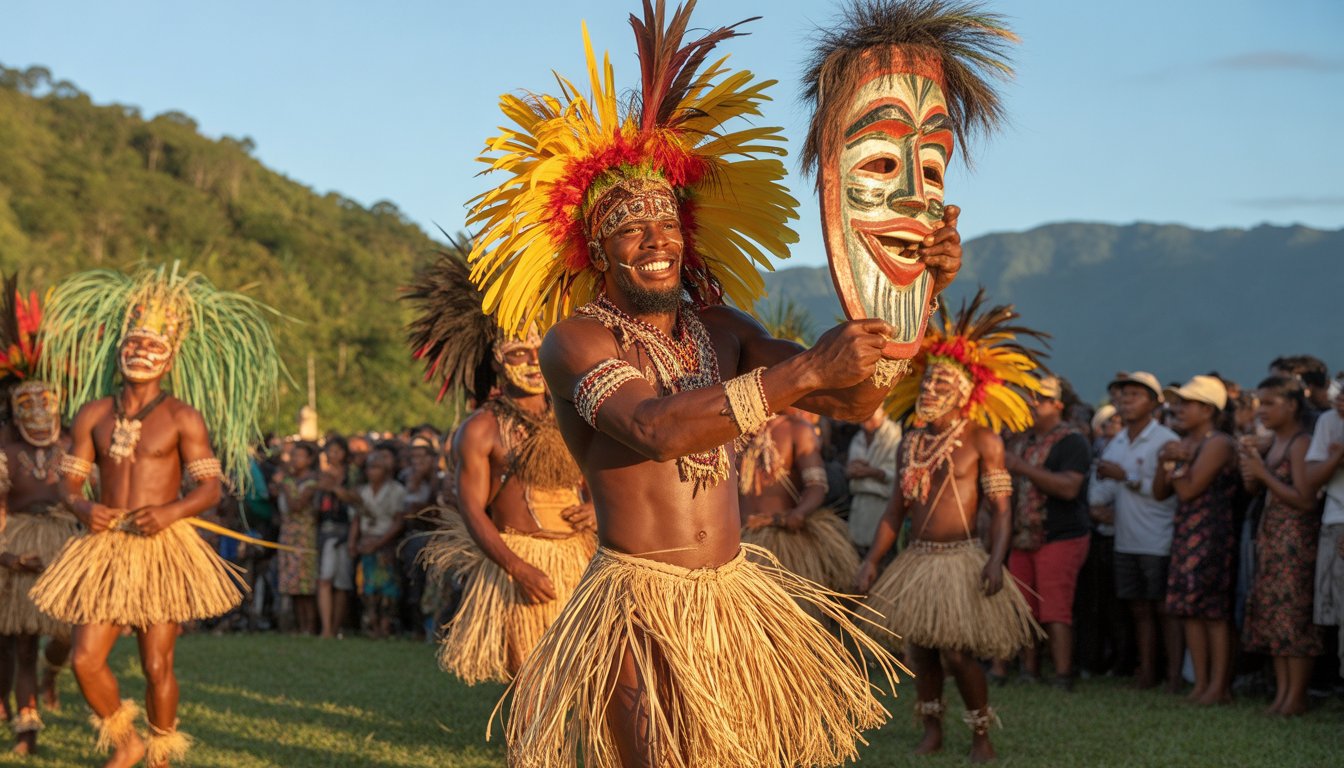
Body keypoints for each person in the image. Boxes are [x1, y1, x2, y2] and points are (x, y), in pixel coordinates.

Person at [461, 0, 1021, 760]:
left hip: (731, 599)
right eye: (629, 227)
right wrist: (808, 367)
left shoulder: (725, 330)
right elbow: (655, 428)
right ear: (596, 250)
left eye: (666, 222)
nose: (655, 240)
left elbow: (852, 396)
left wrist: (912, 293)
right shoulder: (575, 340)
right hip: (636, 604)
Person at [30, 264, 281, 767]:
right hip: (105, 544)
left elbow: (210, 489)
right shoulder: (93, 413)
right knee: (85, 658)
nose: (141, 351)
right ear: (118, 349)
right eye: (134, 342)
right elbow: (69, 482)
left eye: (153, 345)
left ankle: (160, 755)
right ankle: (127, 742)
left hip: (161, 548)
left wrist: (169, 512)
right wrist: (82, 505)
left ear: (170, 358)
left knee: (156, 664)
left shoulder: (183, 416)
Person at [857, 290, 1045, 762]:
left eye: (940, 384)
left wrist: (996, 560)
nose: (928, 391)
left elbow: (1002, 509)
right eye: (925, 383)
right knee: (920, 651)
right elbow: (895, 510)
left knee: (958, 654)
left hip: (962, 558)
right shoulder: (910, 443)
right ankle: (932, 730)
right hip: (917, 559)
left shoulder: (983, 440)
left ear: (964, 393)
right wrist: (873, 560)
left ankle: (981, 735)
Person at [406, 251, 597, 682]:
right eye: (518, 353)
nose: (532, 362)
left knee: (589, 682)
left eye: (539, 350)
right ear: (496, 360)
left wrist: (597, 509)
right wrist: (516, 568)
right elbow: (472, 508)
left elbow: (604, 478)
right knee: (531, 682)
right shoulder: (481, 429)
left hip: (580, 558)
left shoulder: (573, 416)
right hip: (522, 559)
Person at [0, 282, 80, 754]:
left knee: (69, 635)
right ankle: (26, 729)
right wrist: (6, 555)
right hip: (20, 542)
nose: (38, 412)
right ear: (12, 408)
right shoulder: (4, 448)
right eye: (26, 404)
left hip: (67, 541)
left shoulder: (75, 441)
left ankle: (56, 671)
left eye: (45, 401)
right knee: (23, 639)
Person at [1089, 371, 1182, 690]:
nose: (1126, 402)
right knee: (1138, 608)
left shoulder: (1166, 440)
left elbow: (1166, 491)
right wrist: (1097, 504)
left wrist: (1125, 477)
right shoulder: (1117, 440)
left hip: (1157, 537)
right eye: (1123, 395)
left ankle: (1173, 675)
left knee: (1163, 608)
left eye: (1135, 395)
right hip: (1125, 537)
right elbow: (1104, 482)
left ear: (1154, 403)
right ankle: (1147, 671)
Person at [1153, 375, 1239, 705]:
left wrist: (1174, 464)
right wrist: (1164, 462)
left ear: (1208, 409)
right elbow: (1160, 493)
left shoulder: (1218, 443)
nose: (1178, 409)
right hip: (1186, 533)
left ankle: (1218, 686)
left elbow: (1189, 490)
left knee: (1212, 612)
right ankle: (1201, 684)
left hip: (1212, 534)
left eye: (1187, 403)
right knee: (1189, 610)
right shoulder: (1183, 443)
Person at [1003, 375, 1093, 690]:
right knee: (1024, 607)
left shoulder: (1072, 441)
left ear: (1057, 404)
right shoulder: (1021, 440)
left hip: (1061, 535)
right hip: (1022, 535)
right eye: (1027, 397)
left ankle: (1063, 673)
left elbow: (1069, 487)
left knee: (1055, 608)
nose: (1031, 403)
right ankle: (1029, 670)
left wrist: (1022, 467)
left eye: (1039, 399)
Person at [1239, 376, 1322, 716]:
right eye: (1260, 403)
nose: (1262, 410)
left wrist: (1263, 474)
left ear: (1291, 405)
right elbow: (1259, 490)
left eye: (1270, 403)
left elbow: (1305, 500)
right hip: (1271, 536)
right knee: (1274, 614)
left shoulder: (1301, 443)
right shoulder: (1272, 442)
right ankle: (1282, 695)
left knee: (1294, 616)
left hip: (1295, 539)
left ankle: (1296, 696)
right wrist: (1251, 474)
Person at [738, 409, 859, 594]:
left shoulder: (798, 429)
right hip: (739, 540)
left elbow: (816, 486)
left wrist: (798, 513)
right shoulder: (739, 431)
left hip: (778, 542)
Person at [1306, 376, 1344, 684]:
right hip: (1335, 522)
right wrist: (1337, 456)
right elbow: (1312, 477)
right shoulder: (1329, 421)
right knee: (1339, 615)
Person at [352, 447, 406, 638]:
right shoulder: (363, 491)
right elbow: (357, 519)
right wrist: (353, 542)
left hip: (385, 543)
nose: (371, 471)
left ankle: (386, 626)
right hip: (367, 541)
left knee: (388, 588)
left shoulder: (397, 491)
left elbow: (399, 522)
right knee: (368, 587)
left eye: (376, 467)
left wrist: (379, 543)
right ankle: (372, 625)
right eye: (369, 467)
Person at [275, 443, 321, 634]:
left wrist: (284, 485)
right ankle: (300, 626)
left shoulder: (312, 482)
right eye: (293, 456)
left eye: (300, 456)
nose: (295, 460)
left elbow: (297, 505)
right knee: (293, 586)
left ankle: (310, 626)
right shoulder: (290, 480)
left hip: (304, 535)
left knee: (305, 585)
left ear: (310, 459)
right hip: (288, 534)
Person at [846, 406, 902, 555]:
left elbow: (894, 474)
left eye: (871, 415)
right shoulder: (858, 438)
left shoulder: (894, 434)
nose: (866, 420)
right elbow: (852, 469)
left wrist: (869, 471)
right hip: (859, 506)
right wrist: (853, 471)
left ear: (883, 412)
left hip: (882, 505)